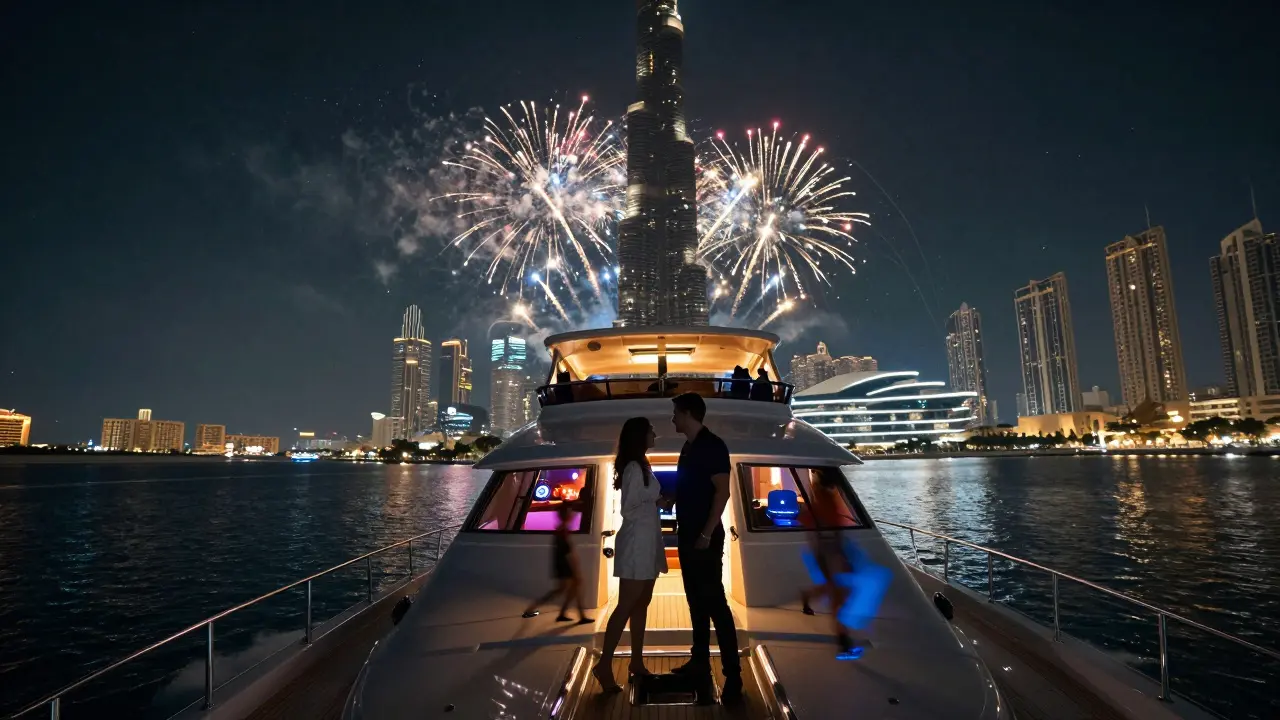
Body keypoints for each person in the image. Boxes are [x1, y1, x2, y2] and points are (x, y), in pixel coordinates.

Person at [667, 392, 742, 702]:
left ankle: (733, 676)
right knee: (696, 602)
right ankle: (699, 661)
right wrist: (670, 498)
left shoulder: (712, 446)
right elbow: (690, 485)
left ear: (688, 414)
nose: (672, 419)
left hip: (704, 537)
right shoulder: (689, 447)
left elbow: (721, 493)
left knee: (716, 606)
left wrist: (707, 534)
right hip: (689, 534)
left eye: (675, 413)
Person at [593, 417, 667, 692]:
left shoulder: (642, 465)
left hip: (647, 541)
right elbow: (629, 508)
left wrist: (659, 501)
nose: (654, 433)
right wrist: (655, 500)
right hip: (637, 542)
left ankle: (636, 661)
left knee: (641, 603)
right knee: (626, 605)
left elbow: (641, 501)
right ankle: (603, 665)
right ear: (640, 436)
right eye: (651, 430)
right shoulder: (635, 468)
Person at [800, 471, 857, 654]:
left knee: (836, 588)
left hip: (831, 549)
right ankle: (843, 637)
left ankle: (808, 595)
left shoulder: (827, 499)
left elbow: (836, 527)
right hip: (824, 550)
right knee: (836, 591)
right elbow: (819, 528)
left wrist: (842, 553)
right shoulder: (821, 502)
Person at [522, 501, 592, 624]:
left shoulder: (561, 529)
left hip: (562, 565)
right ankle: (576, 615)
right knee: (567, 588)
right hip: (565, 565)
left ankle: (568, 614)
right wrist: (575, 569)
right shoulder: (563, 531)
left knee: (567, 589)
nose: (573, 515)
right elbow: (568, 552)